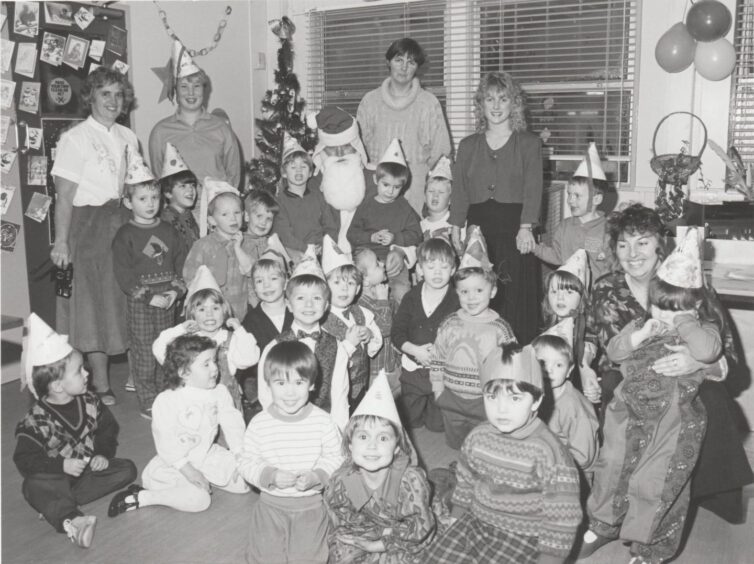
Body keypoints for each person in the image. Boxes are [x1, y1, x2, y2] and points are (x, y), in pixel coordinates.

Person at [583, 204, 753, 525]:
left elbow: (731, 361)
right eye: (623, 244)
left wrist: (696, 363)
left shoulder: (692, 287)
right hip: (627, 377)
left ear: (660, 244)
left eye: (642, 242)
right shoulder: (606, 288)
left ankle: (690, 493)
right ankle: (616, 506)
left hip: (685, 379)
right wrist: (582, 364)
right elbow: (593, 337)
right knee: (612, 394)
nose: (632, 253)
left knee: (711, 400)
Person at [580, 228, 723, 563]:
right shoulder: (644, 324)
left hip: (672, 425)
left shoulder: (702, 330)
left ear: (695, 307)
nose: (665, 315)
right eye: (660, 306)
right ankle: (604, 523)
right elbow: (615, 352)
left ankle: (651, 549)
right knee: (611, 467)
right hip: (626, 416)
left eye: (676, 308)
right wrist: (639, 333)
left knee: (654, 483)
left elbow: (708, 351)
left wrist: (686, 322)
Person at [423, 344, 582, 563]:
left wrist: (548, 559)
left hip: (526, 537)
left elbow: (562, 518)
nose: (501, 409)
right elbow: (466, 482)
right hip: (475, 523)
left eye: (515, 398)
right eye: (492, 397)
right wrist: (456, 517)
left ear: (536, 401)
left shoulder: (550, 454)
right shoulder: (477, 438)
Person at [49, 65, 139, 405]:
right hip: (88, 230)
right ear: (91, 98)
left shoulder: (129, 137)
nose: (113, 101)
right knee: (94, 306)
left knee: (124, 300)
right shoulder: (75, 139)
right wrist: (61, 242)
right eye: (105, 94)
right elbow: (65, 197)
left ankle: (139, 373)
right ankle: (100, 383)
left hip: (123, 225)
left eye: (119, 95)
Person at [15, 314, 137, 548]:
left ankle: (55, 504)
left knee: (126, 469)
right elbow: (24, 459)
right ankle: (71, 520)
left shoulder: (91, 401)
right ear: (58, 386)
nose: (87, 374)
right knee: (32, 486)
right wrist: (60, 465)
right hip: (54, 476)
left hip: (85, 474)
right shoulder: (35, 421)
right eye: (79, 371)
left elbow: (107, 431)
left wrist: (102, 453)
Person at [108, 334, 248, 519]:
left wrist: (240, 457)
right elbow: (165, 441)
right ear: (183, 372)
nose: (215, 368)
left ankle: (206, 479)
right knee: (200, 501)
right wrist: (189, 471)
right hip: (177, 463)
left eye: (214, 361)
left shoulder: (219, 392)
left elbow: (233, 424)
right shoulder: (167, 400)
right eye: (206, 364)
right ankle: (143, 497)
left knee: (246, 482)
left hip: (207, 455)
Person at [449, 71, 543, 345]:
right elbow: (460, 189)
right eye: (489, 99)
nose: (496, 106)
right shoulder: (468, 145)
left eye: (503, 99)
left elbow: (533, 189)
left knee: (513, 297)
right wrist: (456, 226)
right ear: (481, 104)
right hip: (480, 229)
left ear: (514, 103)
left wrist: (526, 227)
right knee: (480, 290)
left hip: (516, 229)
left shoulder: (528, 143)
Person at [239, 340, 344, 564]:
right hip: (270, 506)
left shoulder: (323, 421)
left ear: (312, 385)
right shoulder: (260, 423)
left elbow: (337, 457)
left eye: (299, 382)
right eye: (280, 383)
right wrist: (270, 475)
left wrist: (318, 475)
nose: (290, 392)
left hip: (311, 506)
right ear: (268, 385)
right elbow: (247, 461)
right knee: (263, 558)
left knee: (309, 558)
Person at [325, 372, 436, 563]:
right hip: (367, 528)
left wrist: (381, 544)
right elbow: (341, 514)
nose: (372, 445)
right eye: (363, 437)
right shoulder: (342, 479)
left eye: (383, 438)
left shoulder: (409, 481)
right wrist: (361, 538)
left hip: (405, 532)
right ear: (350, 445)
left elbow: (420, 526)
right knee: (340, 555)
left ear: (397, 448)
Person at [112, 153, 187, 419]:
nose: (150, 204)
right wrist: (147, 297)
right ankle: (148, 400)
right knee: (144, 351)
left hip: (167, 299)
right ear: (128, 202)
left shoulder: (169, 231)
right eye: (142, 199)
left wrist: (176, 290)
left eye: (154, 198)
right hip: (142, 303)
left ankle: (167, 394)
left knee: (167, 348)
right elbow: (124, 274)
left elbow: (181, 263)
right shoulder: (125, 235)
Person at [430, 227, 517, 449]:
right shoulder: (449, 324)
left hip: (485, 401)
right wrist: (438, 389)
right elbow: (438, 357)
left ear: (493, 291)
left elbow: (512, 365)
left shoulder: (499, 328)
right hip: (451, 398)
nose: (471, 298)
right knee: (458, 444)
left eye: (479, 291)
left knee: (485, 443)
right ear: (456, 292)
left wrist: (505, 397)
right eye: (464, 292)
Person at [357, 37, 451, 214]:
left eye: (411, 62)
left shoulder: (429, 103)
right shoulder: (370, 101)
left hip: (414, 189)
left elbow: (441, 153)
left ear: (417, 67)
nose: (404, 67)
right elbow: (358, 150)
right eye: (398, 60)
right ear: (388, 62)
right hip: (376, 188)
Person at [257, 253, 351, 430]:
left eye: (316, 298)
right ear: (289, 304)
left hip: (322, 427)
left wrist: (339, 434)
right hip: (283, 426)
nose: (309, 305)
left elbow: (339, 395)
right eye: (300, 298)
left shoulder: (336, 346)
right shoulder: (274, 346)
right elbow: (266, 394)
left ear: (326, 306)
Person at [153, 266, 259, 411]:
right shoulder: (186, 341)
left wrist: (240, 331)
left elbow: (249, 359)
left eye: (215, 308)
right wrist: (181, 329)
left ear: (224, 311)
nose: (209, 314)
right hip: (193, 407)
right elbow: (159, 349)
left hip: (225, 408)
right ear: (192, 314)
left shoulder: (231, 339)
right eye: (202, 309)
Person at [149, 40, 241, 204]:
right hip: (179, 213)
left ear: (204, 90)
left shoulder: (221, 128)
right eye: (184, 86)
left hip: (216, 209)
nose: (191, 93)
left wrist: (223, 208)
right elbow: (159, 177)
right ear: (175, 91)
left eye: (196, 86)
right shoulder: (160, 131)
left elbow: (234, 174)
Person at [393, 238, 459, 431]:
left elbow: (462, 336)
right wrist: (415, 350)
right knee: (409, 422)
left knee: (437, 426)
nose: (437, 272)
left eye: (444, 266)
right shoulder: (411, 297)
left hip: (442, 374)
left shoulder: (456, 299)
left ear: (453, 270)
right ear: (420, 269)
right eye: (431, 267)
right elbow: (397, 332)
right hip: (413, 370)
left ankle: (436, 410)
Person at [347, 138, 423, 303]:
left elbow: (417, 234)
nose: (390, 191)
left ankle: (400, 323)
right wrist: (371, 237)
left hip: (393, 262)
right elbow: (351, 234)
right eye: (386, 185)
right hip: (367, 264)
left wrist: (396, 238)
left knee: (402, 292)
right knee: (361, 295)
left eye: (396, 187)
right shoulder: (366, 206)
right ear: (376, 180)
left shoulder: (404, 207)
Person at [321, 235, 384, 410]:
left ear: (357, 289)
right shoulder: (320, 319)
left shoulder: (363, 313)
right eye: (336, 282)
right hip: (333, 389)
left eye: (350, 283)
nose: (344, 288)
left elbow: (376, 342)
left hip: (360, 384)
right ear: (324, 287)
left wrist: (369, 335)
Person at [532, 318, 599, 481]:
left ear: (569, 370)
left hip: (573, 474)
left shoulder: (574, 407)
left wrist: (547, 462)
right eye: (542, 363)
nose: (549, 370)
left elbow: (583, 457)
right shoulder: (535, 393)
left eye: (559, 365)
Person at [534, 143, 611, 281]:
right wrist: (534, 248)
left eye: (577, 196)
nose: (570, 200)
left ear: (597, 199)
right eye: (569, 194)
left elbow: (612, 265)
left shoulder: (607, 230)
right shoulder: (565, 226)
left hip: (596, 293)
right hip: (569, 290)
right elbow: (557, 256)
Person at [183, 180, 258, 321]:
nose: (233, 218)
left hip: (239, 313)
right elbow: (190, 276)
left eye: (237, 213)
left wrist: (237, 247)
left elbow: (252, 273)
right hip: (209, 314)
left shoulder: (248, 245)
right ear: (212, 220)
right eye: (225, 214)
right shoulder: (202, 246)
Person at [241, 256, 294, 416]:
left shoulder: (298, 311)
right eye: (259, 281)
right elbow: (245, 362)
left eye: (273, 278)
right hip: (266, 389)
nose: (266, 285)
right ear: (254, 288)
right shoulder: (251, 320)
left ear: (285, 282)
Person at [541, 249, 598, 393]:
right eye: (554, 292)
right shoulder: (549, 321)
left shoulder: (583, 324)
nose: (560, 298)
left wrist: (585, 367)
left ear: (582, 297)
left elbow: (589, 343)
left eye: (569, 292)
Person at [273, 133, 336, 260]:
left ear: (310, 173)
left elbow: (330, 226)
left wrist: (325, 245)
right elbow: (285, 235)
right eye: (293, 167)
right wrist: (307, 249)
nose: (298, 170)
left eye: (303, 166)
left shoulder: (318, 197)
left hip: (322, 252)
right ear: (284, 173)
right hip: (297, 254)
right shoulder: (280, 201)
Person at [354, 248, 401, 394]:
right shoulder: (361, 305)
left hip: (393, 365)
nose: (383, 264)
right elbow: (383, 330)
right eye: (377, 264)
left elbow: (397, 323)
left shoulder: (385, 294)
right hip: (376, 372)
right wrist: (382, 301)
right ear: (366, 280)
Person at [159, 141, 200, 254]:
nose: (190, 190)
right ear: (168, 193)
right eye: (183, 186)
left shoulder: (188, 215)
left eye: (192, 185)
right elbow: (154, 253)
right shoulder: (164, 219)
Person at [243, 190, 280, 308]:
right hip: (247, 303)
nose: (263, 222)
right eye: (259, 216)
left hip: (271, 298)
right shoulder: (239, 243)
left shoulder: (271, 243)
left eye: (269, 219)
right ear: (247, 216)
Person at [421, 156, 463, 243]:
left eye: (441, 192)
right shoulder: (420, 226)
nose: (435, 195)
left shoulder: (457, 225)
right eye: (431, 191)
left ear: (451, 199)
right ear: (425, 197)